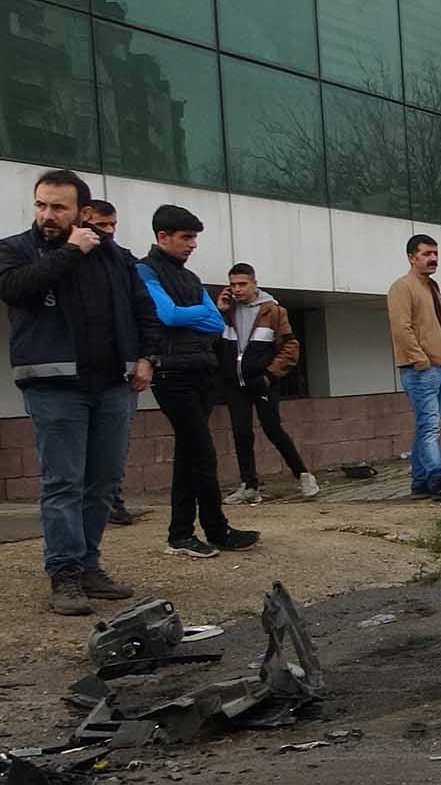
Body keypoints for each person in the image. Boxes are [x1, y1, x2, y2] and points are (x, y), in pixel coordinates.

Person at [0, 170, 156, 614]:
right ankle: (64, 574)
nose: (47, 215)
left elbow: (142, 309)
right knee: (63, 482)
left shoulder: (115, 257)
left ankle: (89, 565)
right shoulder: (16, 249)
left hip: (112, 385)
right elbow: (14, 289)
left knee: (103, 483)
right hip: (54, 386)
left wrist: (148, 357)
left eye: (59, 207)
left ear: (82, 212)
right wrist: (70, 250)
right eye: (41, 205)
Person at [138, 205, 261, 557]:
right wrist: (197, 314)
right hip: (172, 372)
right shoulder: (145, 271)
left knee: (190, 455)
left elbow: (213, 323)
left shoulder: (190, 278)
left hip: (199, 369)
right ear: (163, 236)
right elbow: (167, 314)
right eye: (186, 237)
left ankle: (186, 533)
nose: (193, 244)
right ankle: (209, 530)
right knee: (202, 454)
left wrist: (192, 316)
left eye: (195, 237)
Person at [219, 263, 320, 503]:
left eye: (242, 284)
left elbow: (290, 346)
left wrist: (269, 375)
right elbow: (214, 340)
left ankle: (303, 475)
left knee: (273, 429)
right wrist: (220, 310)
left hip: (261, 381)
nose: (237, 289)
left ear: (254, 282)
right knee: (240, 432)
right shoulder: (228, 311)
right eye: (233, 285)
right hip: (235, 383)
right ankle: (249, 486)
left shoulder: (272, 310)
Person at [387, 235, 441, 502]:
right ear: (412, 257)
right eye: (426, 253)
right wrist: (420, 360)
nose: (433, 258)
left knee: (428, 426)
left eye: (435, 253)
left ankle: (420, 483)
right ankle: (437, 478)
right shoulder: (403, 287)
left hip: (438, 365)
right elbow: (401, 328)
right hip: (420, 368)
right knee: (430, 426)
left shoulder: (430, 286)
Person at [75, 197, 137, 527]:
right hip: (71, 379)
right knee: (71, 468)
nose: (109, 232)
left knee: (111, 455)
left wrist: (144, 357)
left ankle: (112, 499)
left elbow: (145, 311)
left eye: (113, 225)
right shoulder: (67, 260)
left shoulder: (123, 262)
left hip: (116, 375)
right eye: (102, 225)